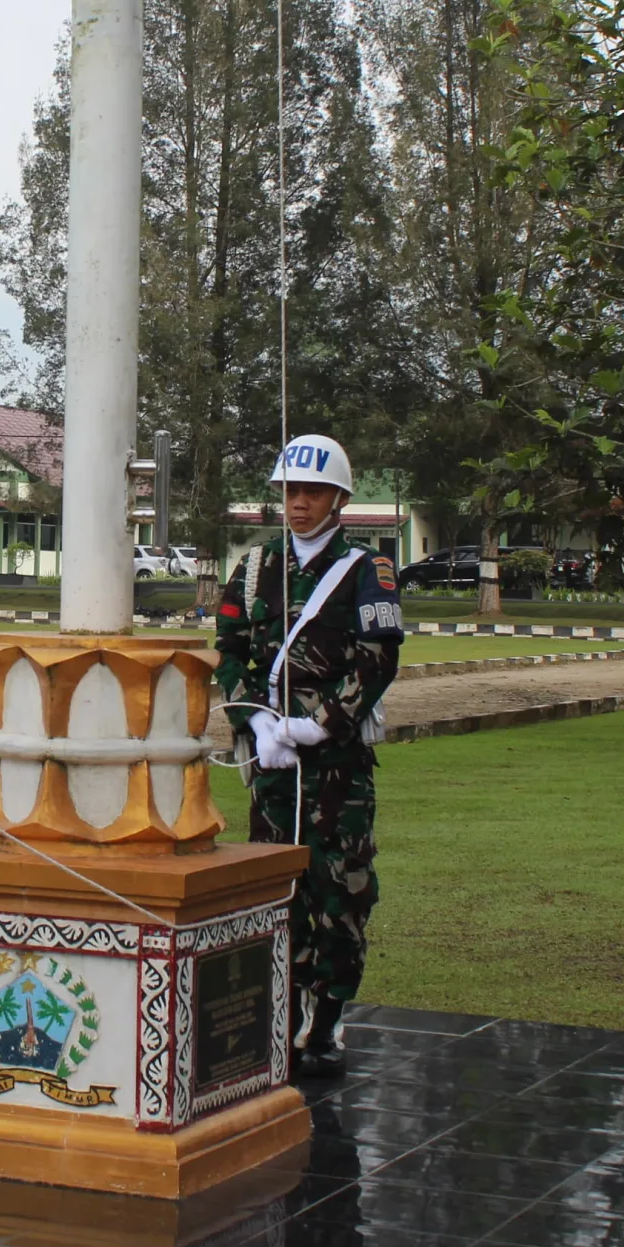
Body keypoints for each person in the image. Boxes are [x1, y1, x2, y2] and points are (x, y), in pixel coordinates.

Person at [215, 433, 403, 1078]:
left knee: (340, 894)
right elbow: (229, 648)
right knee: (273, 891)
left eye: (314, 493)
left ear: (339, 499)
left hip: (336, 768)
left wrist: (322, 726)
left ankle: (325, 1025)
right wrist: (253, 719)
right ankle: (277, 1015)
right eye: (291, 491)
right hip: (273, 764)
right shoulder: (254, 567)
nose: (299, 504)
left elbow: (378, 659)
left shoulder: (367, 570)